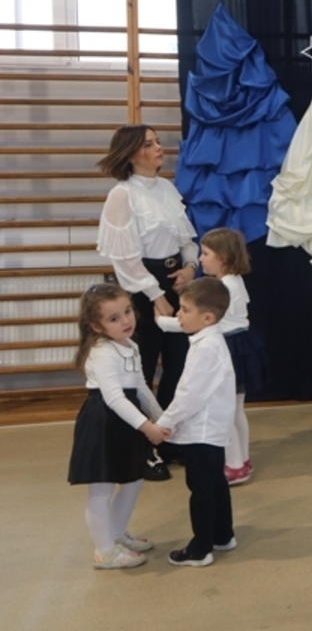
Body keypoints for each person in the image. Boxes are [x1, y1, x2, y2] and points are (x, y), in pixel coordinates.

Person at [97, 125, 198, 480]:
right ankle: (140, 449)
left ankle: (167, 439)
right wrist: (155, 296)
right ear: (130, 154)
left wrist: (189, 267)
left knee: (178, 363)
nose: (158, 148)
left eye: (158, 142)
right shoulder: (122, 195)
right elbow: (124, 258)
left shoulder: (167, 188)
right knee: (139, 369)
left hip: (174, 284)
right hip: (141, 290)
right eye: (149, 144)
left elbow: (186, 239)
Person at [157, 228, 267, 485]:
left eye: (205, 254)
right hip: (241, 345)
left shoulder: (223, 287)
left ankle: (235, 465)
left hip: (231, 346)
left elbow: (204, 321)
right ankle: (241, 460)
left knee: (227, 412)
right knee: (236, 410)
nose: (200, 259)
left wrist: (163, 322)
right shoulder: (234, 281)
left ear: (223, 258)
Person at [67, 284, 166, 569]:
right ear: (96, 327)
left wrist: (161, 418)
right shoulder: (102, 352)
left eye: (127, 312)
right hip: (104, 422)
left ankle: (116, 532)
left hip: (126, 420)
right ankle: (105, 550)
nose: (126, 320)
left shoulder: (130, 345)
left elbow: (140, 387)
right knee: (101, 489)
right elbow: (113, 398)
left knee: (133, 480)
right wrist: (147, 427)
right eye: (114, 318)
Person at [155, 277, 237, 567]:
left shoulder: (205, 349)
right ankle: (223, 535)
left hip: (202, 431)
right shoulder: (208, 336)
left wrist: (164, 423)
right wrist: (161, 319)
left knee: (201, 488)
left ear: (207, 317)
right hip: (212, 429)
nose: (179, 314)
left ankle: (200, 548)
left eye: (185, 310)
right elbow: (178, 325)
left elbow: (189, 395)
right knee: (215, 483)